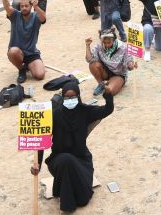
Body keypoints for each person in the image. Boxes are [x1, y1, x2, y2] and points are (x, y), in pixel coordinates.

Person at [30, 80, 115, 212]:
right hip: (58, 160)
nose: (70, 100)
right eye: (67, 97)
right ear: (63, 98)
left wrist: (108, 94)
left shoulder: (85, 111)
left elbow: (107, 109)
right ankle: (67, 204)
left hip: (82, 159)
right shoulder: (54, 115)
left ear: (79, 96)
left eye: (73, 97)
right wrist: (38, 164)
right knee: (66, 160)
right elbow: (41, 140)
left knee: (83, 200)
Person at [2, 0, 46, 84]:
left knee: (40, 75)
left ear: (30, 6)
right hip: (18, 52)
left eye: (26, 6)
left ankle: (30, 65)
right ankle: (22, 69)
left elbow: (43, 18)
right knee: (13, 51)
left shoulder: (35, 16)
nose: (24, 8)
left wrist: (36, 6)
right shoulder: (15, 16)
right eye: (22, 6)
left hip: (31, 52)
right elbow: (7, 7)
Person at [85, 29, 137, 96]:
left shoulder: (123, 47)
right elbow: (89, 60)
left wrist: (131, 65)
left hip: (118, 75)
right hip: (105, 72)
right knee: (93, 64)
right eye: (104, 43)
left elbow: (129, 61)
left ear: (114, 40)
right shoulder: (99, 46)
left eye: (109, 43)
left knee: (109, 92)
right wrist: (87, 46)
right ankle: (101, 84)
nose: (106, 45)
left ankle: (110, 84)